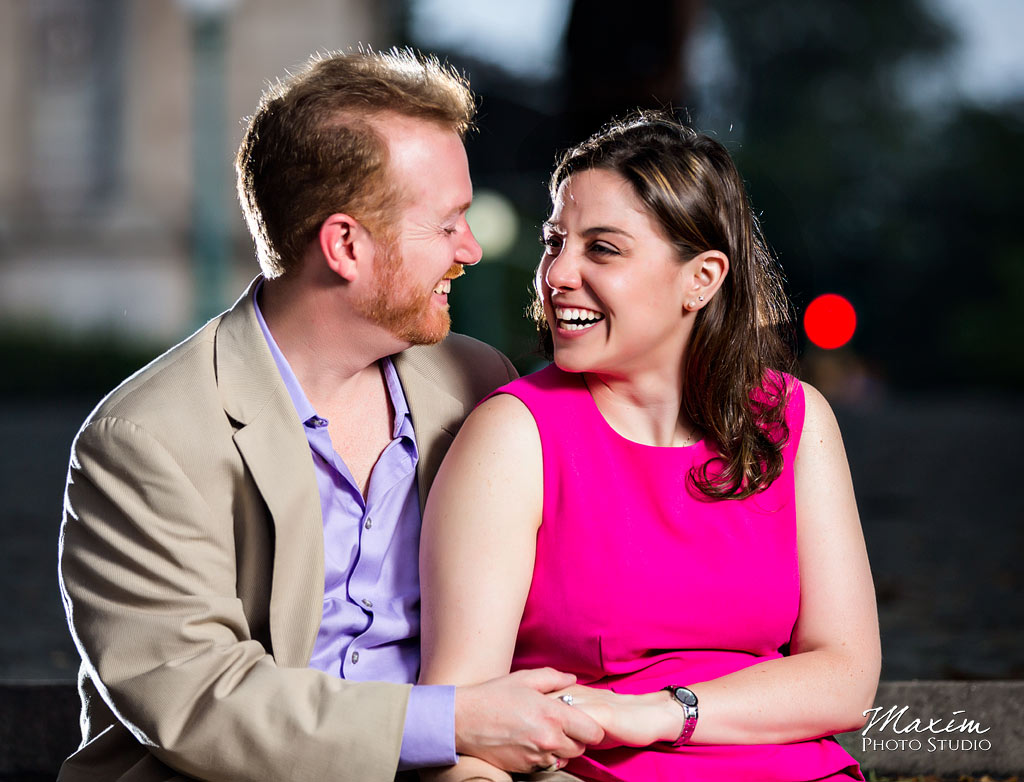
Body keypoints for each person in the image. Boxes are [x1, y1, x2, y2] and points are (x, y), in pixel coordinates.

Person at [57, 49, 602, 782]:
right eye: (447, 225)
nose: (469, 250)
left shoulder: (477, 383)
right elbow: (201, 705)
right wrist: (455, 721)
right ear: (345, 245)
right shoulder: (143, 441)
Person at [418, 112, 881, 781]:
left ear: (702, 278)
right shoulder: (516, 435)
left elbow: (845, 678)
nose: (557, 273)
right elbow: (462, 721)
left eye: (601, 249)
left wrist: (664, 712)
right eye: (555, 241)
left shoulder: (796, 420)